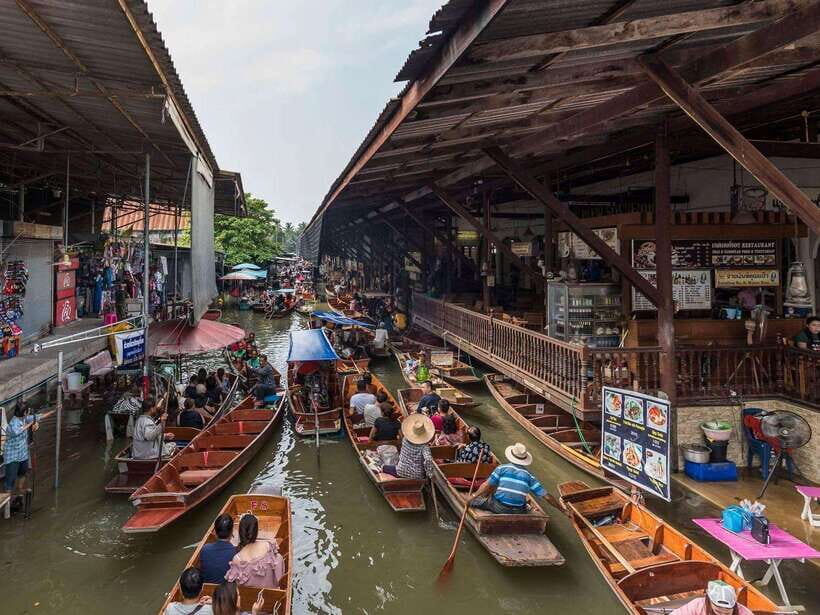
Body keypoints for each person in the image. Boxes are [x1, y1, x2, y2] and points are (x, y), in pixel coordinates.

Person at [469, 442, 563, 515]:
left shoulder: (502, 468)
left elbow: (486, 485)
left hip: (499, 507)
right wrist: (563, 510)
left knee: (475, 501)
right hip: (519, 511)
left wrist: (472, 497)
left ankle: (473, 501)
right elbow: (546, 496)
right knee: (523, 504)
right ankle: (527, 508)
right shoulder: (529, 475)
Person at [225, 514, 286, 588]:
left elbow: (236, 584)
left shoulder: (237, 558)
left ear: (240, 532)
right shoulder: (268, 545)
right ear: (256, 531)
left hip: (250, 596)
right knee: (279, 557)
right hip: (271, 590)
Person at [381, 414, 435, 479]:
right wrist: (429, 474)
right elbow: (428, 459)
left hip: (401, 471)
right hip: (417, 475)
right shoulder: (424, 447)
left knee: (382, 467)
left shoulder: (405, 440)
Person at [669, 580, 753, 615]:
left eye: (727, 614)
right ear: (709, 601)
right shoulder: (698, 605)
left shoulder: (744, 613)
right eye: (718, 612)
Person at [199, 514, 238, 584]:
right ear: (232, 532)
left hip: (208, 589)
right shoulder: (234, 552)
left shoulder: (205, 549)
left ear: (215, 532)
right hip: (226, 591)